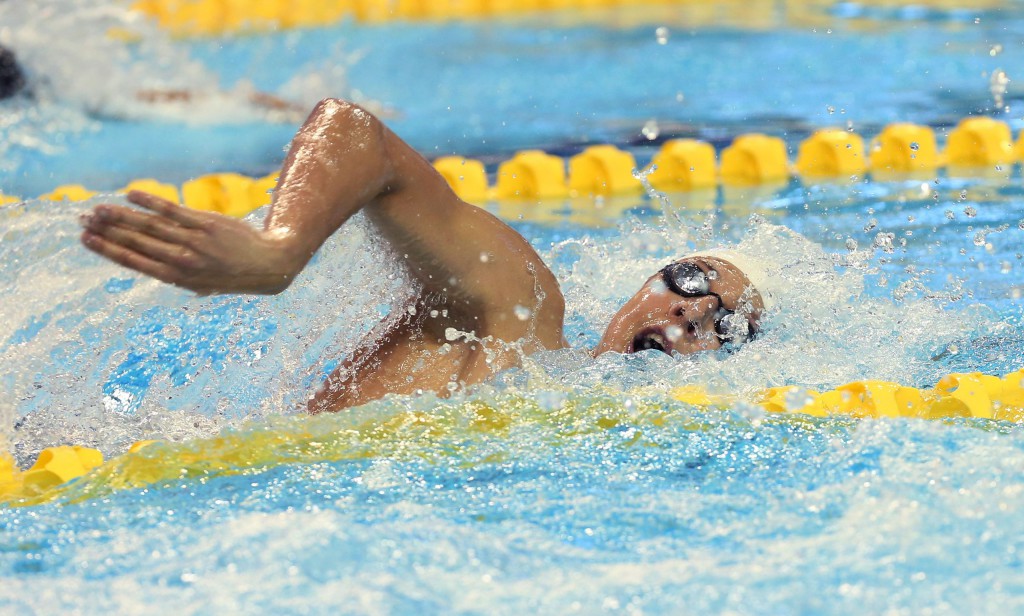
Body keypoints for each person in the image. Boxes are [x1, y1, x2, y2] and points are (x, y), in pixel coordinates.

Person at [79, 99, 766, 414]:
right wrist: (277, 252)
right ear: (644, 286)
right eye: (691, 282)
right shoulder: (519, 315)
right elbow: (355, 132)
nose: (689, 314)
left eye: (721, 325)